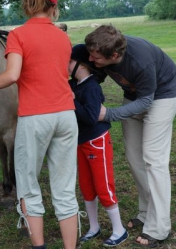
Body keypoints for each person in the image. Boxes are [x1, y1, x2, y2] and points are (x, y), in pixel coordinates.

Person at [0, 0, 79, 249]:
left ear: (26, 6)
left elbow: (12, 75)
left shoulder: (18, 35)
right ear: (53, 8)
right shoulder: (62, 36)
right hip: (66, 115)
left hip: (35, 118)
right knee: (64, 189)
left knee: (29, 188)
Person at [85, 24, 176, 248]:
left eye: (95, 57)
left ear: (114, 55)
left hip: (162, 96)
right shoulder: (99, 52)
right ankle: (146, 214)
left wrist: (110, 114)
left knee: (154, 160)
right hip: (134, 96)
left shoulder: (140, 60)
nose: (90, 59)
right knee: (135, 159)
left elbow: (146, 101)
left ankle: (159, 227)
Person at [68, 44, 128, 247]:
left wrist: (72, 101)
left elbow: (92, 117)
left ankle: (119, 230)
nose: (66, 66)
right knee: (86, 186)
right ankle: (94, 227)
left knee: (103, 186)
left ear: (82, 65)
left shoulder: (92, 87)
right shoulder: (73, 84)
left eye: (69, 62)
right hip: (80, 141)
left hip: (96, 141)